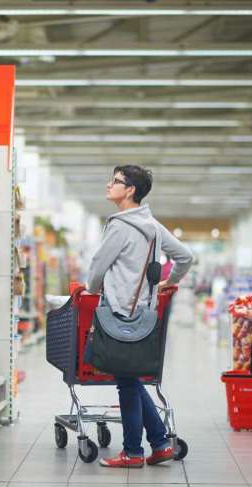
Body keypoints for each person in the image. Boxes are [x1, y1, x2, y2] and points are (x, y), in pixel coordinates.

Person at [86, 165, 194, 468]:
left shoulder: (120, 225)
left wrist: (91, 289)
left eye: (116, 181)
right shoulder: (151, 225)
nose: (109, 185)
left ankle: (132, 453)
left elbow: (98, 265)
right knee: (130, 378)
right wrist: (168, 283)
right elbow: (185, 257)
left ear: (130, 190)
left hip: (119, 312)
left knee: (126, 383)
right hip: (144, 315)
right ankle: (159, 443)